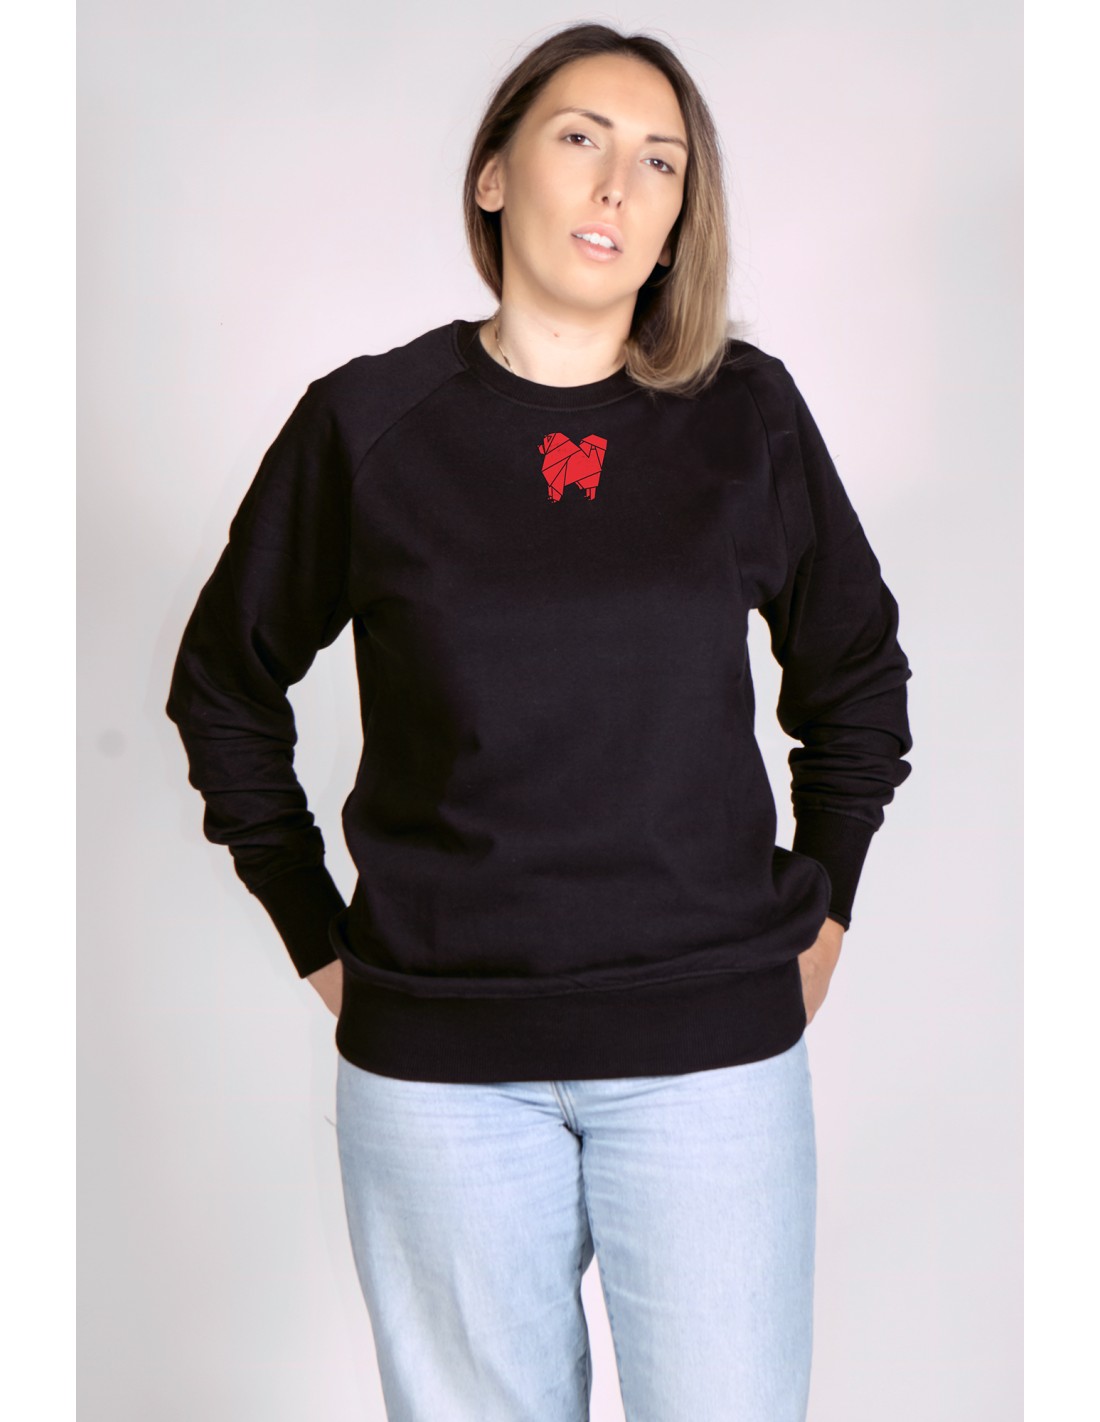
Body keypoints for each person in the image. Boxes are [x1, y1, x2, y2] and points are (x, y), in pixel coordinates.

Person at [165, 20, 913, 1422]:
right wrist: (317, 934)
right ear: (496, 172)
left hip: (709, 1056)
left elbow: (856, 676)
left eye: (663, 162)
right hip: (441, 1078)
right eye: (582, 138)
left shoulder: (744, 416)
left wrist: (829, 909)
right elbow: (224, 685)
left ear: (683, 215)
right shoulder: (368, 425)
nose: (621, 184)